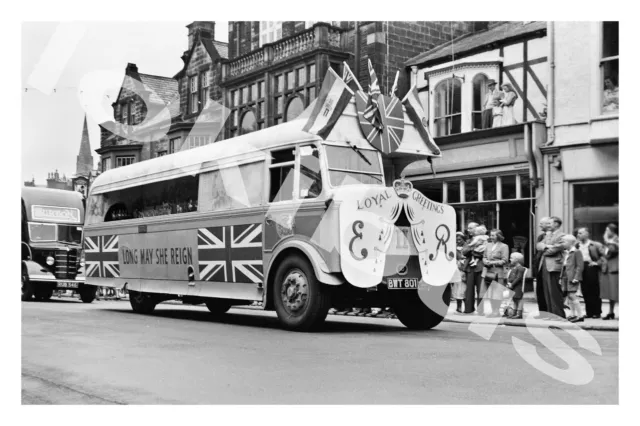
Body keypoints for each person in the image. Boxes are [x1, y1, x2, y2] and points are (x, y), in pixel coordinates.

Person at [536, 216, 566, 319]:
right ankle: (550, 314)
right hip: (544, 265)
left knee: (554, 292)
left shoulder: (562, 235)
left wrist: (546, 248)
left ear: (556, 224)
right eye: (547, 224)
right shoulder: (547, 236)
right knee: (547, 292)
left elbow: (555, 249)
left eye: (550, 223)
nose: (548, 226)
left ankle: (558, 315)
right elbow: (538, 246)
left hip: (553, 266)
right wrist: (547, 246)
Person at [576, 227, 603, 318]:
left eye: (580, 233)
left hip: (591, 267)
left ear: (587, 234)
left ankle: (597, 312)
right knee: (585, 291)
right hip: (581, 268)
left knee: (594, 290)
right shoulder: (577, 245)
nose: (578, 235)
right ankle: (589, 312)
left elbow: (604, 256)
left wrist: (597, 263)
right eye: (578, 233)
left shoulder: (595, 245)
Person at [482, 229, 510, 317]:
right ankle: (493, 310)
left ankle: (496, 311)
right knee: (490, 292)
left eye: (493, 235)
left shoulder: (504, 246)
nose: (491, 237)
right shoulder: (488, 245)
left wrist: (492, 263)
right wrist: (485, 261)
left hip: (498, 271)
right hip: (488, 271)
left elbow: (505, 260)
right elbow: (484, 256)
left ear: (498, 236)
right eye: (490, 235)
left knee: (497, 293)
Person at [560, 234, 585, 323]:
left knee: (572, 295)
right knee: (569, 296)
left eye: (563, 242)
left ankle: (580, 315)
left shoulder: (576, 252)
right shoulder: (566, 252)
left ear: (570, 242)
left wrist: (576, 277)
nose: (562, 243)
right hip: (565, 276)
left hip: (572, 277)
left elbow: (580, 266)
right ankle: (573, 314)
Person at [463, 224, 487, 314]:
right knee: (469, 290)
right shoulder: (468, 241)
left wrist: (473, 251)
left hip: (480, 267)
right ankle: (468, 309)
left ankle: (480, 310)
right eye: (468, 228)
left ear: (476, 229)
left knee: (480, 290)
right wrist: (472, 249)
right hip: (469, 267)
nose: (468, 230)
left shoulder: (484, 239)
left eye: (471, 228)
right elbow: (464, 252)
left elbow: (485, 252)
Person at [600, 223, 619, 320]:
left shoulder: (616, 240)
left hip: (615, 269)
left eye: (607, 230)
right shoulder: (611, 241)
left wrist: (607, 241)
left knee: (616, 291)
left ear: (612, 231)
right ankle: (611, 312)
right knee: (611, 292)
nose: (605, 233)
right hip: (609, 268)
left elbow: (610, 252)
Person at [533, 217, 550, 315]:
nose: (539, 225)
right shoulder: (540, 237)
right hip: (539, 265)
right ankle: (542, 312)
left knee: (547, 290)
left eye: (541, 223)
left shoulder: (553, 236)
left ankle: (549, 312)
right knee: (540, 290)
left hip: (547, 265)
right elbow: (538, 249)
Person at [505, 252, 526, 319]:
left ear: (516, 259)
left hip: (518, 287)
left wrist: (512, 284)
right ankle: (515, 312)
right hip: (513, 286)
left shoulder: (520, 268)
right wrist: (509, 283)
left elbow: (518, 278)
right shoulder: (514, 268)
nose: (510, 259)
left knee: (519, 300)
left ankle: (519, 313)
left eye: (511, 258)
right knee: (514, 299)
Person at [451, 232, 467, 313]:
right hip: (456, 269)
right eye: (457, 240)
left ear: (464, 239)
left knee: (464, 289)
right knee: (457, 289)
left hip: (464, 270)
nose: (458, 241)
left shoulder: (467, 247)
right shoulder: (454, 248)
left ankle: (467, 307)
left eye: (460, 239)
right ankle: (458, 307)